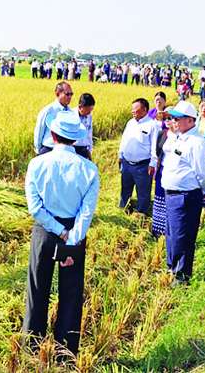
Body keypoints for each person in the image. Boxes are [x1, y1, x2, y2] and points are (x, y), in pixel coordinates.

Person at [23, 111, 100, 358]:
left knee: (37, 288)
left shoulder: (37, 164)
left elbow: (35, 208)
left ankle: (31, 344)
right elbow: (86, 212)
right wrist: (72, 237)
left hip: (44, 231)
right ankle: (65, 350)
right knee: (71, 292)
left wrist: (58, 231)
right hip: (74, 232)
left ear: (53, 135)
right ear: (75, 139)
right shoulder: (89, 169)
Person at [161, 101, 205, 284]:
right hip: (171, 193)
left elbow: (202, 173)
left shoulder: (197, 143)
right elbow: (167, 149)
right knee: (171, 233)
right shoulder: (178, 137)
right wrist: (172, 132)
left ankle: (181, 275)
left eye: (177, 119)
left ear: (190, 120)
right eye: (172, 118)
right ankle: (172, 267)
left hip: (185, 195)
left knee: (182, 236)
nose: (173, 121)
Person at [118, 98, 159, 214]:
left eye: (135, 109)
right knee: (125, 189)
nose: (133, 111)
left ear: (144, 110)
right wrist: (120, 155)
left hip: (143, 166)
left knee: (143, 192)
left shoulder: (152, 125)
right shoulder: (130, 123)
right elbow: (124, 140)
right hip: (127, 163)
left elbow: (155, 146)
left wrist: (153, 163)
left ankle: (141, 214)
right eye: (132, 109)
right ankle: (124, 210)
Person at [148, 91, 170, 238]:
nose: (158, 102)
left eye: (161, 100)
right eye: (156, 99)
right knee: (159, 196)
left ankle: (167, 229)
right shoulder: (151, 115)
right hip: (160, 167)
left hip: (172, 174)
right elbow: (156, 150)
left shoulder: (180, 136)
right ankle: (157, 228)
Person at [33, 82, 73, 155]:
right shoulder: (48, 110)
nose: (70, 97)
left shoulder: (71, 112)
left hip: (66, 151)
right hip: (49, 148)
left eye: (71, 94)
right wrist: (38, 150)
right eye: (67, 94)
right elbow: (39, 131)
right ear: (57, 94)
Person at [73, 93, 95, 160]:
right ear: (80, 107)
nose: (89, 113)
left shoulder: (89, 116)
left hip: (84, 150)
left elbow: (89, 134)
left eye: (91, 110)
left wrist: (90, 151)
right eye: (88, 110)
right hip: (73, 149)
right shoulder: (71, 115)